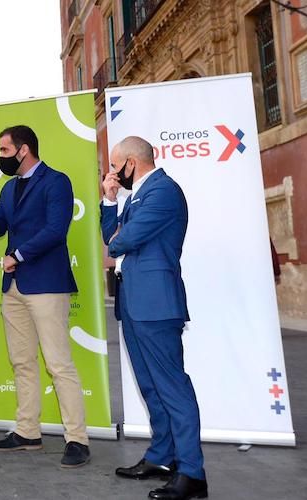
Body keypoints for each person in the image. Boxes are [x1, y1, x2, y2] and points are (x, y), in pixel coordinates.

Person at [0, 125, 90, 468]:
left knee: (58, 364)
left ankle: (77, 439)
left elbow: (56, 230)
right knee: (21, 362)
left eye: (4, 150)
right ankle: (27, 431)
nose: (0, 157)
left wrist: (18, 256)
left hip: (47, 284)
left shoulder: (56, 181)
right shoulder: (9, 188)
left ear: (23, 150)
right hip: (14, 288)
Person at [102, 137, 206, 500]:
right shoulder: (136, 197)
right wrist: (109, 202)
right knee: (150, 386)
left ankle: (192, 473)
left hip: (156, 304)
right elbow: (111, 237)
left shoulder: (163, 191)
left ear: (131, 163)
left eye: (115, 166)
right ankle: (162, 457)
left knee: (172, 388)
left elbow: (121, 242)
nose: (112, 173)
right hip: (134, 303)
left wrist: (120, 237)